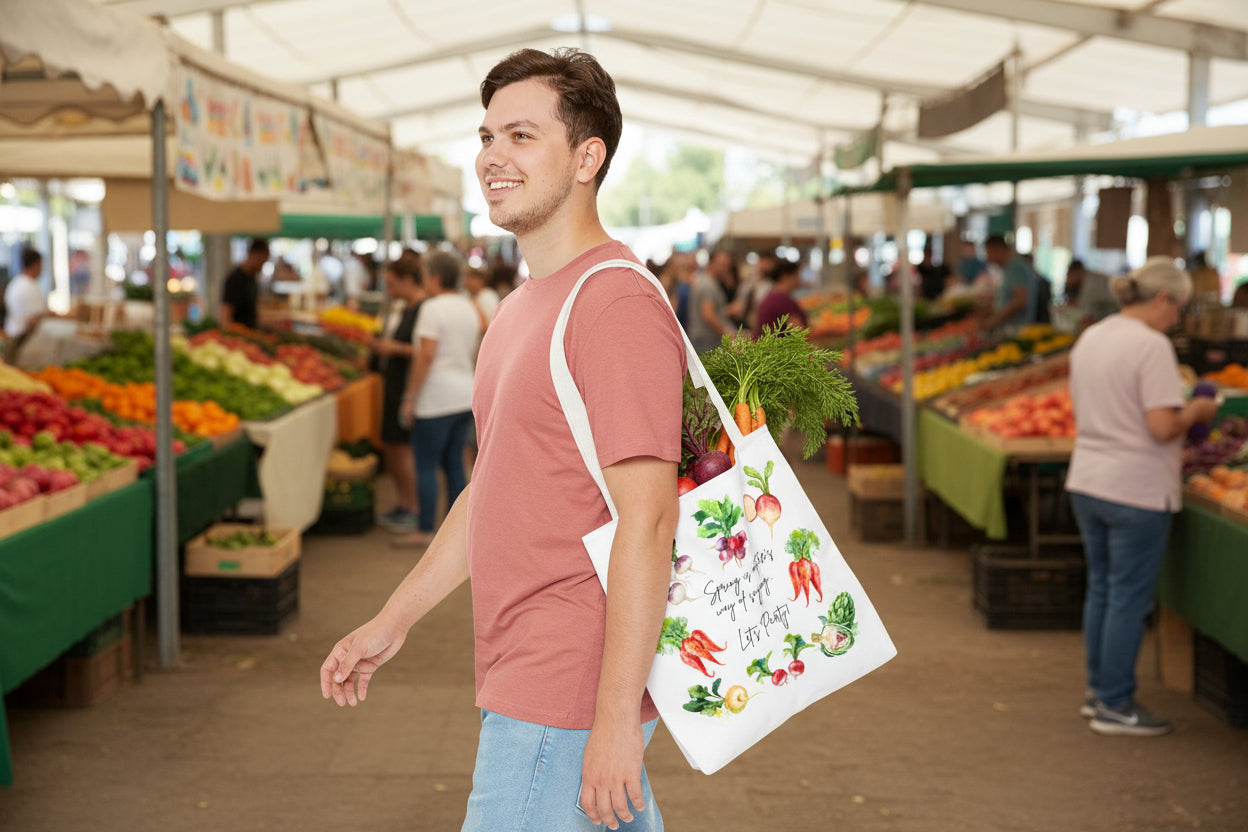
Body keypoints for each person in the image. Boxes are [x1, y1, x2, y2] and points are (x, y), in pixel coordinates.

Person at [322, 47, 683, 832]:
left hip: (566, 690)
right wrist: (395, 618)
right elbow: (493, 489)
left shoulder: (613, 305)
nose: (492, 157)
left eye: (521, 136)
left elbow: (649, 518)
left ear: (588, 157)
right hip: (522, 670)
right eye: (486, 137)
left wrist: (614, 718)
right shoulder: (520, 309)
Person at [1065, 257, 1219, 737]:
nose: (1179, 319)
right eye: (1180, 309)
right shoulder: (1151, 346)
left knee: (1104, 589)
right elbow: (1161, 426)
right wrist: (1195, 409)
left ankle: (1099, 692)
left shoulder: (1094, 335)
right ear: (1161, 300)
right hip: (1135, 487)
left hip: (1088, 478)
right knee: (1128, 596)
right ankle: (1115, 703)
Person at [390, 250, 480, 549]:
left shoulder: (432, 308)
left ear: (436, 277)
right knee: (455, 464)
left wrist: (410, 397)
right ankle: (456, 535)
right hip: (464, 394)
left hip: (436, 396)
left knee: (425, 464)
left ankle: (425, 529)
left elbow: (425, 355)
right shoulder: (470, 307)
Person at [371, 258, 426, 532]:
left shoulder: (423, 309)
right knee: (392, 446)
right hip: (394, 385)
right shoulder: (406, 308)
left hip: (406, 387)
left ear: (407, 280)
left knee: (403, 448)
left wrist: (393, 348)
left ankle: (413, 508)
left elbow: (422, 351)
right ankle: (404, 504)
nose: (388, 288)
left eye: (392, 283)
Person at [981, 234, 1038, 330]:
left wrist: (995, 319)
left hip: (1016, 328)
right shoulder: (1009, 268)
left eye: (988, 253)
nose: (988, 258)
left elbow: (1021, 300)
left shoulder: (1016, 268)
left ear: (998, 249)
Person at [687, 248, 737, 353]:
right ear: (712, 263)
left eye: (727, 265)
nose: (725, 268)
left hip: (704, 339)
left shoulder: (706, 281)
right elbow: (708, 315)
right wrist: (726, 333)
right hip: (706, 341)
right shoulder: (708, 285)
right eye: (722, 265)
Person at [220, 238, 269, 329]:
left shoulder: (252, 278)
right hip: (238, 336)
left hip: (250, 335)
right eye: (262, 262)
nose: (262, 266)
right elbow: (225, 315)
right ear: (253, 254)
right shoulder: (235, 279)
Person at [4, 247, 49, 340]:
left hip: (10, 334)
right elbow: (32, 321)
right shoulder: (31, 287)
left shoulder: (14, 283)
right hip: (22, 339)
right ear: (37, 264)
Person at [754, 259, 807, 337]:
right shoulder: (782, 301)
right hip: (778, 347)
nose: (799, 279)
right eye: (797, 275)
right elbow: (799, 331)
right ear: (786, 276)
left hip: (768, 345)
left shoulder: (773, 296)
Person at [1065, 259, 1117, 326]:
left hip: (1112, 320)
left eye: (1068, 274)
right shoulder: (1091, 278)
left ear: (1077, 272)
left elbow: (1087, 319)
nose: (1067, 278)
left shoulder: (1091, 284)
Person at [463, 265, 500, 330]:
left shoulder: (488, 296)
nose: (467, 282)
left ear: (481, 280)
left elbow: (487, 326)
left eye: (472, 278)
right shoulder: (468, 296)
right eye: (467, 278)